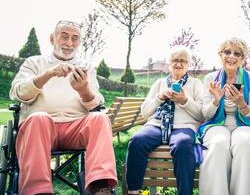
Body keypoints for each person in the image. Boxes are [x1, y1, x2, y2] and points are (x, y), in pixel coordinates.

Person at [9, 20, 117, 195]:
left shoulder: (86, 67)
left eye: (75, 39)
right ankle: (38, 190)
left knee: (100, 118)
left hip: (75, 128)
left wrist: (84, 91)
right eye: (64, 37)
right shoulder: (34, 62)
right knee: (39, 118)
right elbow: (17, 93)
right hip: (39, 129)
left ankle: (100, 187)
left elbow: (96, 103)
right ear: (52, 39)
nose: (69, 43)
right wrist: (48, 74)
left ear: (79, 43)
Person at [125, 46, 204, 195]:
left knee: (182, 145)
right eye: (175, 60)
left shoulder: (195, 84)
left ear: (188, 65)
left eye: (183, 61)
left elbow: (201, 114)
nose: (178, 64)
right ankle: (133, 191)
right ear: (169, 63)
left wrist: (185, 101)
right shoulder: (159, 84)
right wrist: (159, 98)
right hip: (157, 125)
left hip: (184, 127)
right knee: (137, 140)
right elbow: (144, 113)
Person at [196, 37, 250, 195]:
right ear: (220, 54)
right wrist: (216, 101)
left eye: (237, 53)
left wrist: (242, 104)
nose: (231, 56)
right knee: (219, 143)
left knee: (243, 143)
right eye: (227, 52)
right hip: (216, 125)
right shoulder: (211, 79)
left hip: (244, 125)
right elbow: (206, 114)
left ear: (242, 58)